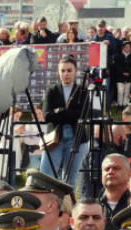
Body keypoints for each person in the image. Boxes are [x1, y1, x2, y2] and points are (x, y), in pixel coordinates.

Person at [41, 56, 89, 190]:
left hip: (77, 139)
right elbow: (47, 116)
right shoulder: (52, 90)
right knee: (46, 177)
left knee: (70, 181)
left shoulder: (82, 90)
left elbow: (84, 115)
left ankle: (68, 208)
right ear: (58, 72)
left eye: (69, 70)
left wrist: (60, 111)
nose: (66, 74)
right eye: (62, 71)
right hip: (55, 138)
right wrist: (70, 114)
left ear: (75, 71)